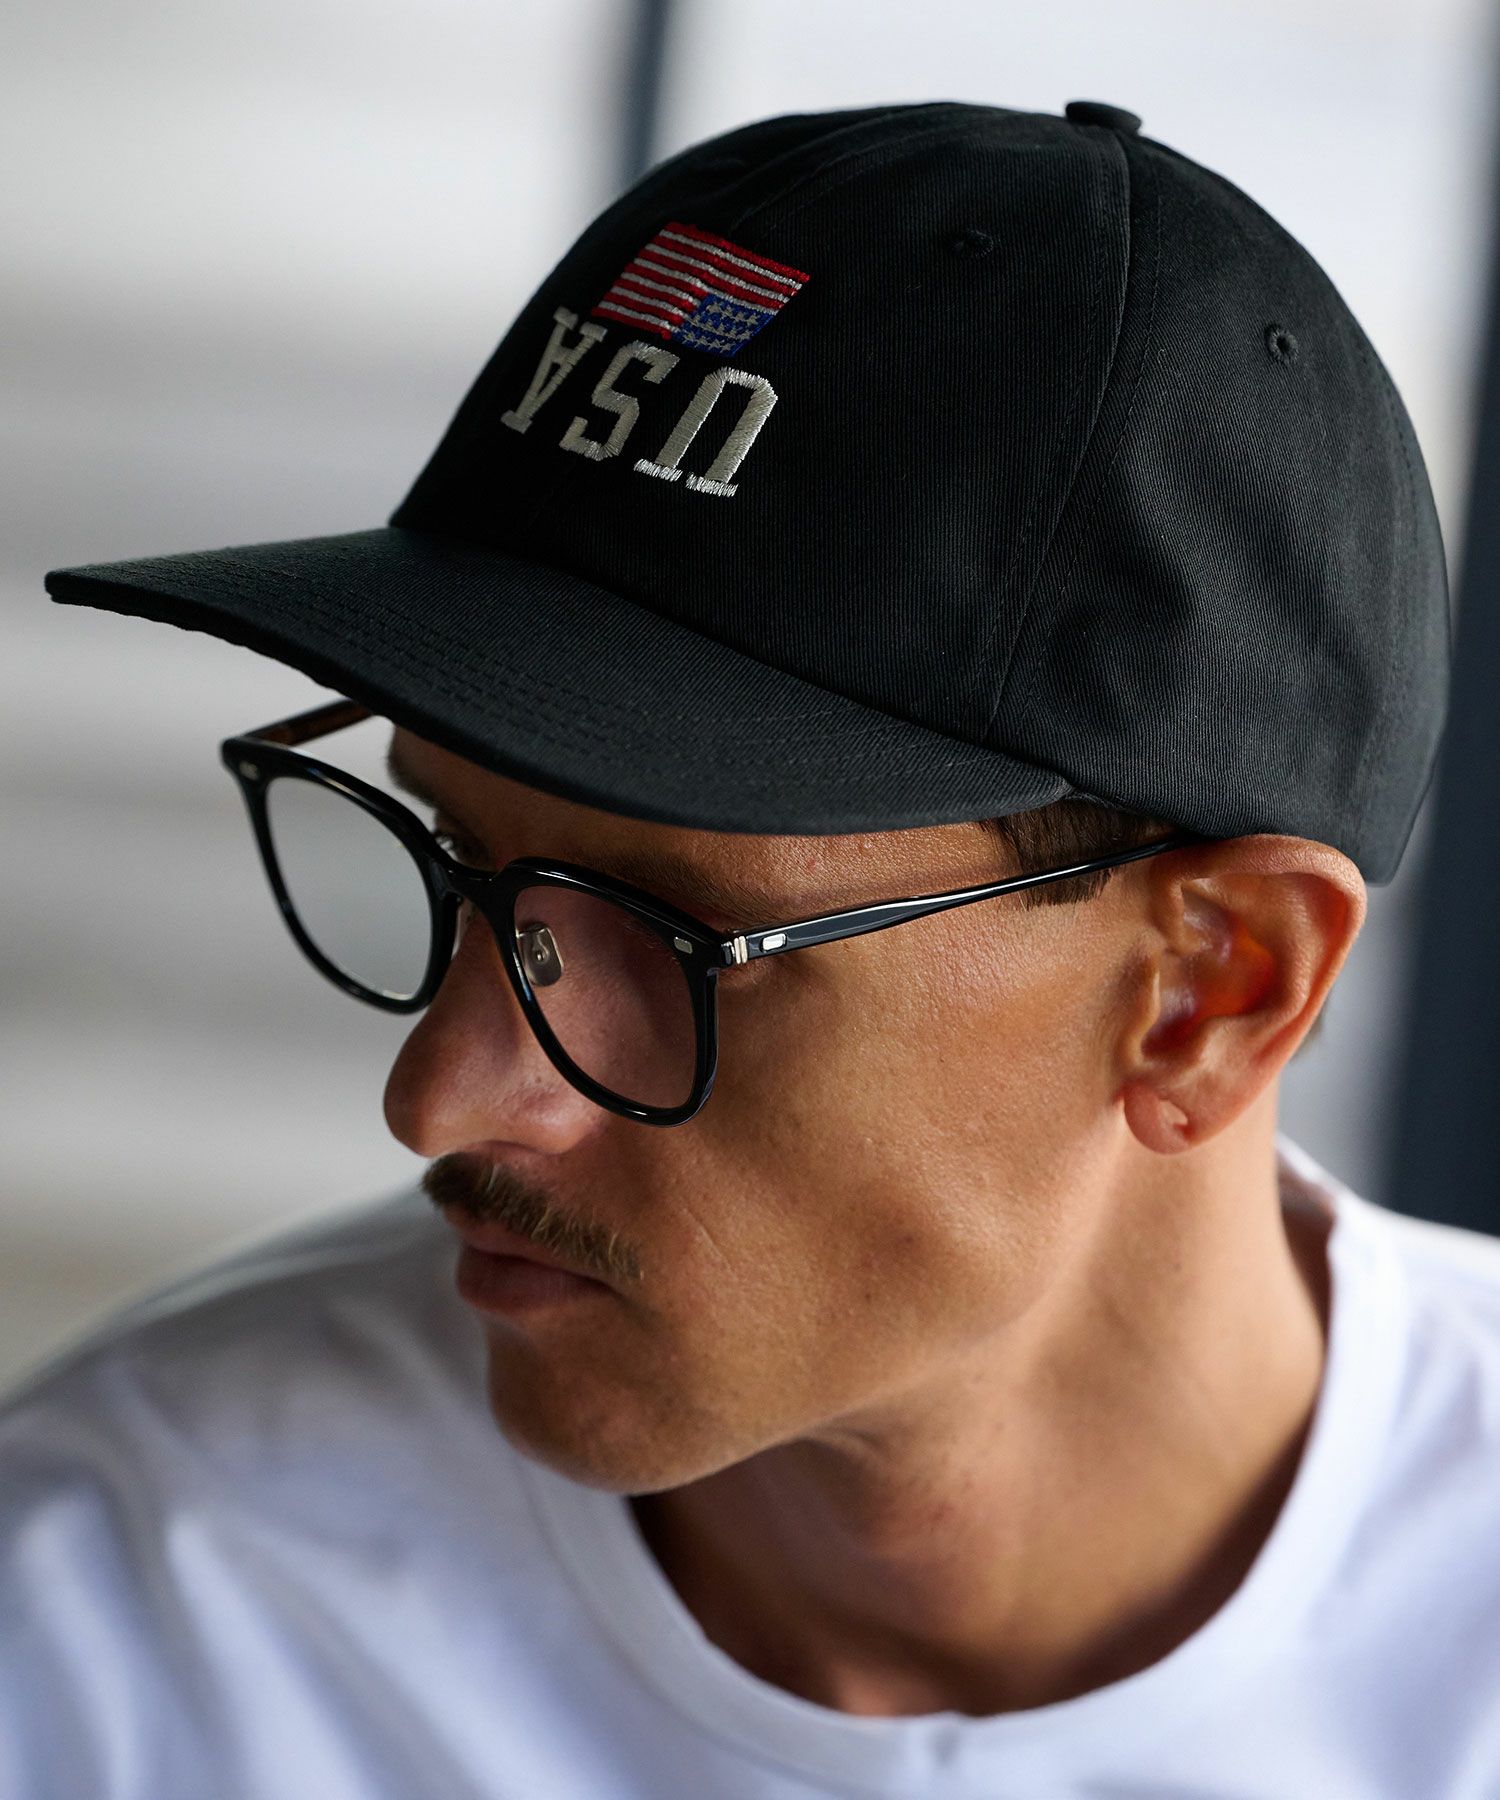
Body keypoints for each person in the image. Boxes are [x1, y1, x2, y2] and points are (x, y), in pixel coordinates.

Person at [4, 96, 1491, 1799]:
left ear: (1213, 993)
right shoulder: (127, 1611)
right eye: (460, 856)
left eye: (678, 936)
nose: (442, 1096)